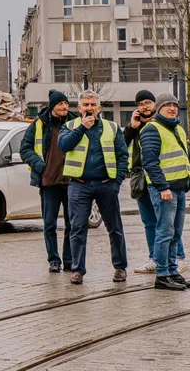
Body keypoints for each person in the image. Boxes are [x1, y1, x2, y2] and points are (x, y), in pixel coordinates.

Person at [58, 90, 129, 285]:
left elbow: (123, 156)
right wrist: (81, 128)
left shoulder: (112, 128)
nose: (89, 108)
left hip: (106, 184)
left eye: (92, 105)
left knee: (114, 228)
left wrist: (117, 181)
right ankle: (78, 270)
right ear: (79, 108)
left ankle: (120, 267)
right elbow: (63, 145)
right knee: (77, 228)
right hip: (79, 185)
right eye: (85, 105)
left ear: (99, 107)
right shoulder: (70, 126)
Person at [124, 90, 186, 274]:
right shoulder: (138, 127)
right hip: (142, 179)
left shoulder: (163, 126)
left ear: (155, 105)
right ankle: (157, 261)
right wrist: (131, 128)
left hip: (163, 182)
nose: (145, 106)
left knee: (168, 225)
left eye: (148, 102)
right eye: (140, 103)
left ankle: (175, 260)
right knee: (152, 222)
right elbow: (121, 146)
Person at [20, 89, 78, 273]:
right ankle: (54, 260)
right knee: (49, 224)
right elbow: (25, 149)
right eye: (61, 104)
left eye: (66, 103)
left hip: (72, 181)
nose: (64, 107)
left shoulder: (75, 122)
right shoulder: (40, 124)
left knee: (73, 224)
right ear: (53, 106)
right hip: (48, 182)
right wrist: (40, 166)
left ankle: (69, 260)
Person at [138, 93, 190, 291]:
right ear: (158, 109)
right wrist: (163, 187)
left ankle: (172, 270)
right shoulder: (152, 129)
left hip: (178, 188)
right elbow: (150, 162)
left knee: (175, 233)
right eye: (167, 105)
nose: (172, 108)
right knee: (164, 232)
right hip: (164, 190)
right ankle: (162, 274)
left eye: (174, 105)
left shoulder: (176, 127)